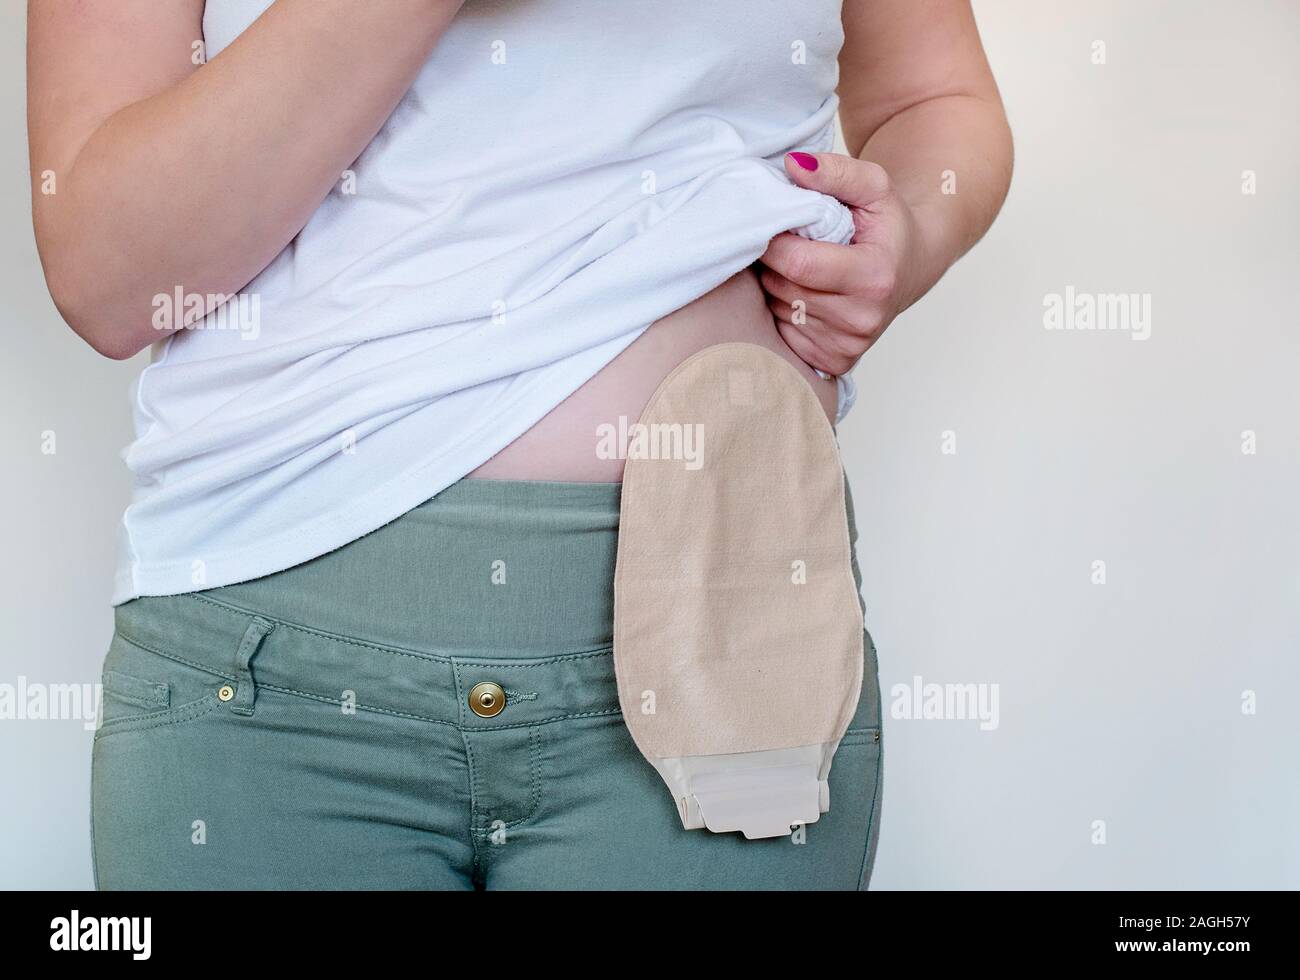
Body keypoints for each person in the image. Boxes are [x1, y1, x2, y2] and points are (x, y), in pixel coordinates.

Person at [28, 0, 1011, 889]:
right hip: (266, 668)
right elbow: (110, 277)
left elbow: (935, 97)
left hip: (732, 621)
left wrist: (903, 235)